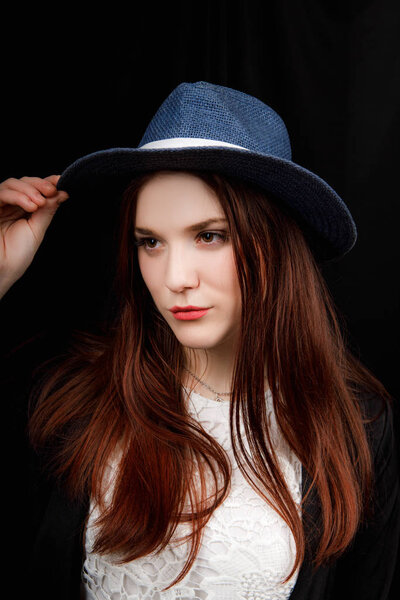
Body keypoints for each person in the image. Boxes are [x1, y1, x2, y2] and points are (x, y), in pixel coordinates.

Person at [0, 81, 399, 600]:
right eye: (151, 242)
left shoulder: (358, 425)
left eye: (209, 235)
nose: (174, 277)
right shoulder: (71, 395)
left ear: (274, 243)